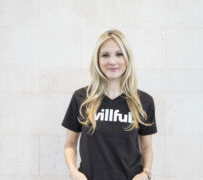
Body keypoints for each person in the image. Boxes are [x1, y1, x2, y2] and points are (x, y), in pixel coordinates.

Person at [62, 29, 157, 180]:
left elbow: (146, 147)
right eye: (105, 55)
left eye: (119, 54)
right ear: (97, 60)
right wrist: (74, 172)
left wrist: (145, 173)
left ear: (127, 58)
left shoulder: (143, 101)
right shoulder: (81, 98)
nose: (112, 61)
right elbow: (70, 144)